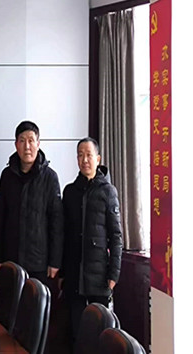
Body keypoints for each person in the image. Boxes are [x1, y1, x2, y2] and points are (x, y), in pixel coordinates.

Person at [61, 137, 123, 341]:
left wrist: (113, 275)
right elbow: (64, 234)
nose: (84, 160)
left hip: (100, 276)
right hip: (74, 275)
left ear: (98, 159)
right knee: (76, 332)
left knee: (100, 334)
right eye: (80, 155)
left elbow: (116, 236)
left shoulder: (108, 191)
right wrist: (62, 272)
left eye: (89, 155)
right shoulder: (70, 192)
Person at [0, 120, 63, 283]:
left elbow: (56, 222)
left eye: (31, 141)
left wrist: (55, 261)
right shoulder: (7, 176)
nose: (27, 146)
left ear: (38, 144)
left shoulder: (50, 177)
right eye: (22, 141)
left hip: (39, 262)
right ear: (16, 145)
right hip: (11, 260)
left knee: (37, 299)